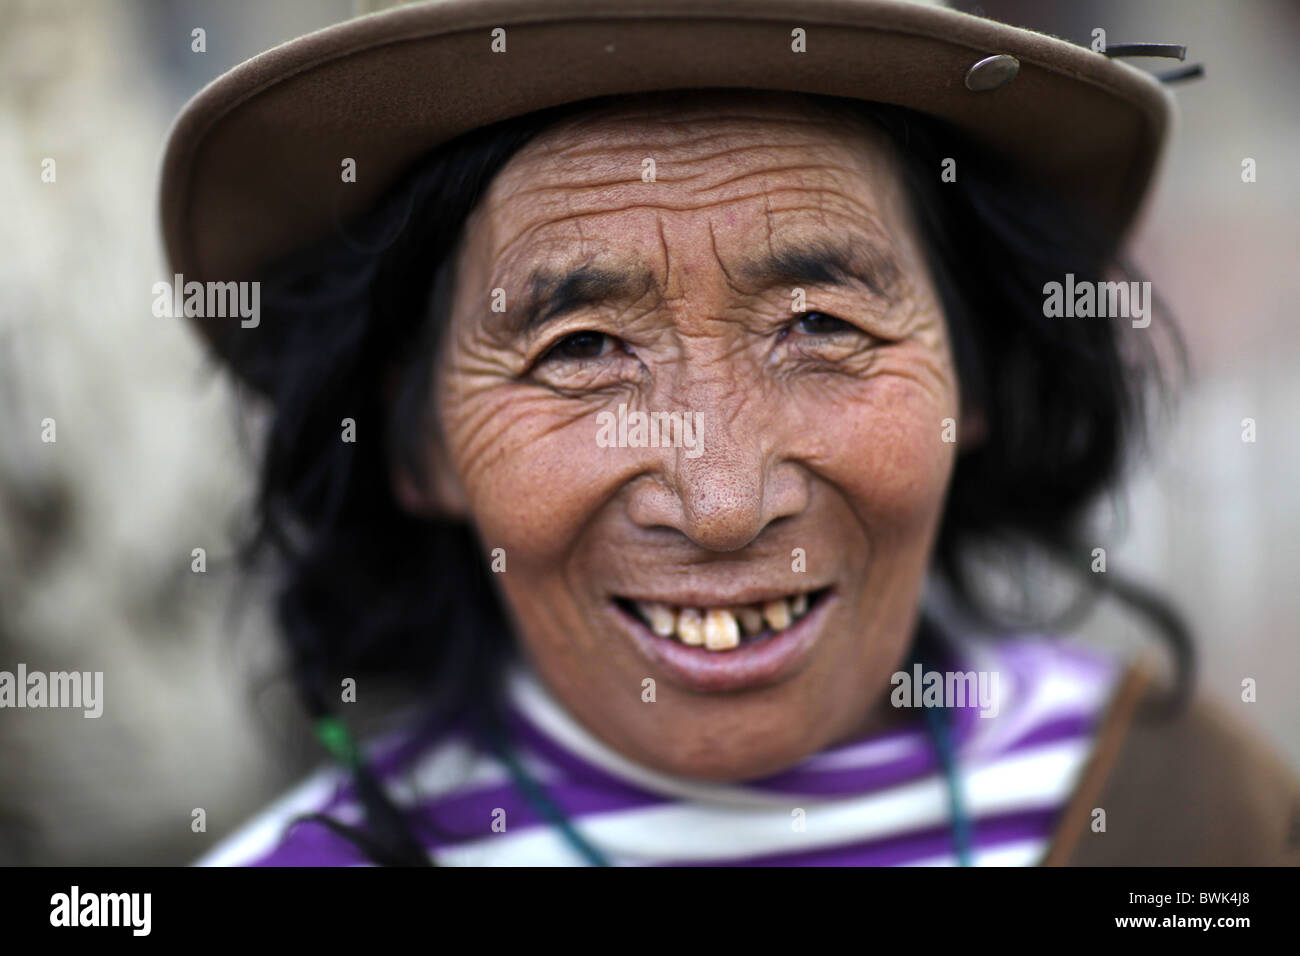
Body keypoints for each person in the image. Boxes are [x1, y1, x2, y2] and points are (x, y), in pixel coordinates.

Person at [160, 0, 1299, 866]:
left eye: (819, 323)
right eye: (580, 347)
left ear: (979, 371)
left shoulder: (1189, 819)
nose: (720, 500)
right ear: (419, 446)